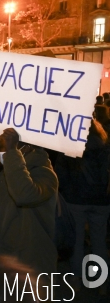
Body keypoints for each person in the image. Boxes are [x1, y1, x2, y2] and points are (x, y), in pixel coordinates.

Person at [0, 128, 58, 275]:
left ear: (27, 147)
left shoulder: (46, 173)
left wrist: (11, 151)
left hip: (30, 262)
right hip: (9, 254)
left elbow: (24, 195)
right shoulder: (16, 167)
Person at [55, 119, 110, 293]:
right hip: (102, 201)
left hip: (76, 199)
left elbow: (60, 174)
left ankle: (76, 279)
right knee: (99, 241)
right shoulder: (105, 145)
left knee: (77, 241)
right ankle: (101, 283)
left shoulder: (70, 146)